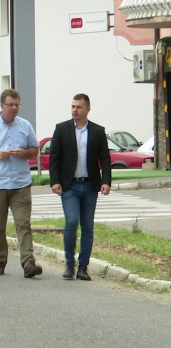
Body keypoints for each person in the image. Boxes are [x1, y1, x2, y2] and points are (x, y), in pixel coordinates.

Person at [0, 89, 42, 278]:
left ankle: (28, 263)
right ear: (2, 105)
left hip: (20, 182)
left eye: (17, 104)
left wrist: (25, 153)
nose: (14, 108)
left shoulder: (25, 126)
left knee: (23, 224)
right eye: (10, 104)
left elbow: (35, 149)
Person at [49, 93, 112, 281]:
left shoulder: (98, 131)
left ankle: (83, 267)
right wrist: (55, 181)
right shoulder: (62, 129)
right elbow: (55, 157)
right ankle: (69, 264)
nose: (75, 110)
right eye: (73, 106)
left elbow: (105, 158)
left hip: (91, 185)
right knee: (71, 222)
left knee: (87, 226)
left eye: (78, 107)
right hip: (70, 186)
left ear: (88, 109)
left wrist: (106, 181)